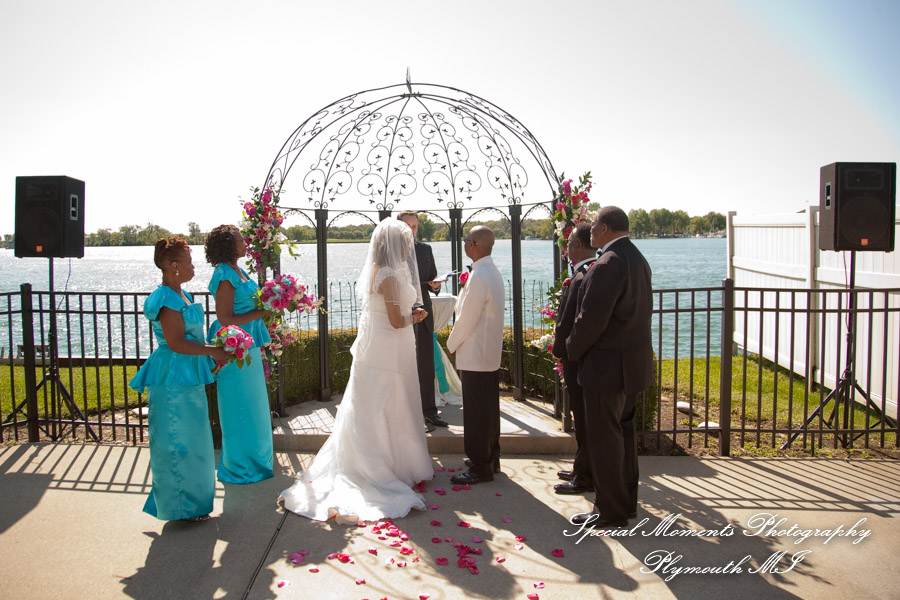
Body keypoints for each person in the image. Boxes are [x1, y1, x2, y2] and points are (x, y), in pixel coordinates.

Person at [279, 218, 434, 522]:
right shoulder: (387, 274)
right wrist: (416, 318)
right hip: (386, 347)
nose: (408, 248)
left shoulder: (394, 270)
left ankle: (401, 463)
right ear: (391, 245)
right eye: (404, 243)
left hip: (397, 346)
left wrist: (410, 315)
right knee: (381, 404)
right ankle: (378, 466)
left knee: (398, 401)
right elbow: (393, 320)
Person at [129, 236, 229, 522]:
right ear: (173, 266)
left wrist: (212, 355)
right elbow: (175, 343)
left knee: (195, 442)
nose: (193, 266)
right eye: (189, 261)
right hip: (173, 377)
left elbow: (192, 339)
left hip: (188, 375)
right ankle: (180, 506)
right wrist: (215, 351)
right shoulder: (165, 298)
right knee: (178, 442)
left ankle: (193, 504)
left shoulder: (182, 295)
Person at [566, 206, 653, 527]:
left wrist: (572, 350)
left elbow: (590, 320)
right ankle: (627, 503)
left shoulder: (607, 264)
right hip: (633, 366)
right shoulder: (637, 259)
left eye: (594, 227)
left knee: (605, 441)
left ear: (604, 229)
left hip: (607, 370)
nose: (589, 231)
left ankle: (609, 511)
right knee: (624, 438)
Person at [205, 224, 274, 484]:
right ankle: (240, 466)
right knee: (239, 405)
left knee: (254, 404)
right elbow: (224, 318)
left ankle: (257, 462)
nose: (245, 243)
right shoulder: (224, 274)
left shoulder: (238, 270)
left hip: (250, 344)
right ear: (228, 245)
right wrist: (261, 312)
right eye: (240, 239)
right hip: (235, 348)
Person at [446, 226, 505, 485]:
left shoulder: (480, 275)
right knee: (488, 410)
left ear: (473, 245)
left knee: (476, 413)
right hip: (487, 353)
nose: (464, 245)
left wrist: (451, 343)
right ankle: (490, 457)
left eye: (466, 241)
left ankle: (480, 466)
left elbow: (467, 318)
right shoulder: (491, 272)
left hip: (475, 353)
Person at [551, 223, 597, 495]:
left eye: (568, 243)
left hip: (577, 359)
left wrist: (561, 348)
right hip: (578, 357)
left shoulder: (582, 276)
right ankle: (582, 466)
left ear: (579, 246)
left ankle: (585, 475)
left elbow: (573, 321)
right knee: (580, 417)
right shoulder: (584, 273)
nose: (565, 248)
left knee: (582, 417)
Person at [397, 210, 449, 433]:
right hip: (400, 316)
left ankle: (429, 412)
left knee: (426, 366)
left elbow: (432, 278)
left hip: (424, 315)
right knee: (403, 367)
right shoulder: (390, 252)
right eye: (407, 226)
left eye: (415, 226)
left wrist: (435, 285)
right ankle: (406, 415)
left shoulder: (425, 249)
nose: (411, 230)